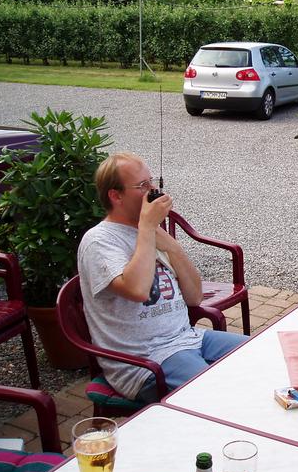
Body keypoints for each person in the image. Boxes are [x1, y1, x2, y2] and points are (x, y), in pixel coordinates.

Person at [77, 152, 247, 403]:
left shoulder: (151, 233)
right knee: (220, 395)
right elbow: (138, 290)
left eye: (152, 182)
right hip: (145, 361)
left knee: (263, 354)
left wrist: (173, 248)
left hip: (190, 339)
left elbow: (194, 297)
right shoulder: (99, 241)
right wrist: (147, 228)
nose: (153, 191)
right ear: (116, 195)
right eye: (142, 186)